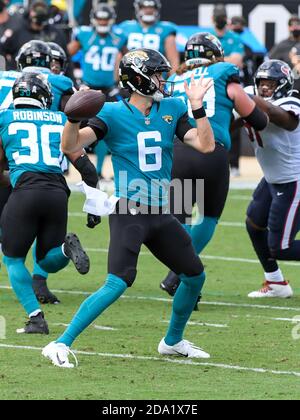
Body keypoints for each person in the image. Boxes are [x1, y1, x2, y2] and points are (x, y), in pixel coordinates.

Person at [42, 48, 215, 368]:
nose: (164, 80)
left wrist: (198, 107)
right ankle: (59, 343)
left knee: (194, 277)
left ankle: (172, 341)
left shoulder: (173, 107)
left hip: (162, 210)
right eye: (158, 74)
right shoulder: (110, 113)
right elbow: (70, 146)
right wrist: (73, 117)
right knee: (118, 281)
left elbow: (206, 145)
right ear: (139, 79)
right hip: (129, 210)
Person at [160, 32, 268, 301]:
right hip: (212, 154)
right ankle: (180, 274)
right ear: (215, 55)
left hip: (180, 152)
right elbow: (255, 117)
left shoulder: (174, 79)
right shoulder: (222, 74)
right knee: (208, 218)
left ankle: (181, 271)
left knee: (181, 216)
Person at [0, 39, 100, 304]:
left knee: (11, 245)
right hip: (53, 177)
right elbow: (85, 162)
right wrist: (94, 204)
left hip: (14, 166)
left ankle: (32, 307)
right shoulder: (59, 96)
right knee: (45, 244)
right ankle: (41, 281)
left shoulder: (6, 103)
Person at [242, 60, 300, 298]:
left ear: (283, 85)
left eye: (270, 84)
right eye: (261, 84)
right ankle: (276, 283)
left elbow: (284, 119)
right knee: (254, 224)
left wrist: (246, 98)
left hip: (294, 180)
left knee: (281, 247)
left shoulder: (292, 99)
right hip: (273, 178)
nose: (264, 88)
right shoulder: (248, 97)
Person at [68, 2, 127, 179]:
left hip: (108, 89)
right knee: (73, 125)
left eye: (105, 19)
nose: (102, 22)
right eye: (100, 19)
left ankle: (100, 170)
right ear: (94, 19)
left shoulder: (119, 37)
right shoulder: (84, 35)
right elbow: (66, 54)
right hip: (87, 87)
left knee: (105, 127)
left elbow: (129, 58)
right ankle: (78, 168)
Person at [0, 0, 68, 71]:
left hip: (49, 76)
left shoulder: (56, 33)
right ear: (30, 13)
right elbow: (2, 50)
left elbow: (65, 58)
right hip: (22, 76)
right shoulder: (18, 31)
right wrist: (11, 69)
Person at [119, 0, 179, 73]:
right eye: (144, 7)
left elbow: (173, 60)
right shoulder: (126, 27)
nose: (148, 10)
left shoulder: (166, 29)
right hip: (130, 76)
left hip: (156, 77)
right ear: (138, 8)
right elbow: (119, 56)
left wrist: (172, 80)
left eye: (151, 7)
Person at [269, 15, 300, 92]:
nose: (295, 28)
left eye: (297, 25)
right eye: (292, 25)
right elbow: (271, 64)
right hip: (290, 87)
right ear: (289, 27)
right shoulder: (282, 45)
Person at [210, 4, 244, 69]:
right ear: (212, 18)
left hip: (229, 76)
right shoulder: (207, 37)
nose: (220, 19)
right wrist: (228, 59)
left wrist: (212, 60)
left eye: (223, 17)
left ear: (226, 18)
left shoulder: (235, 37)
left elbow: (236, 62)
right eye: (218, 17)